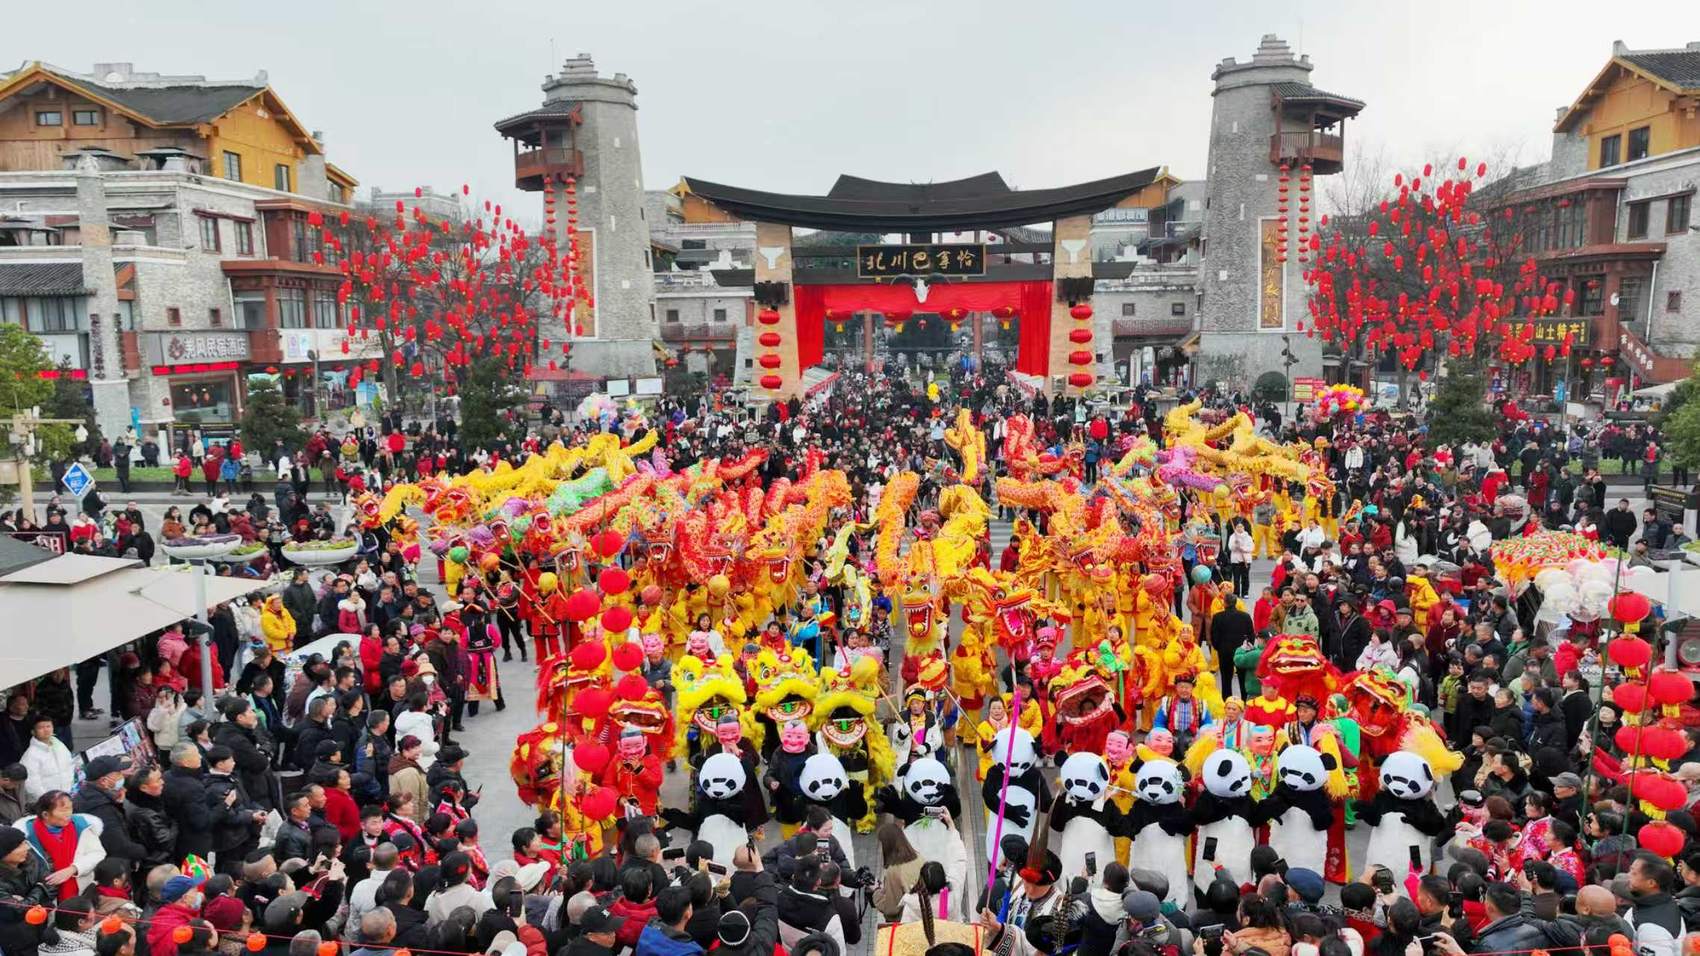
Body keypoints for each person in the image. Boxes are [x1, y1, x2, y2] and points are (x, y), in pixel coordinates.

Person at [19, 715, 75, 802]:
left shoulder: (59, 745)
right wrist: (49, 802)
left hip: (66, 798)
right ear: (33, 732)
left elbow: (70, 765)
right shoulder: (30, 755)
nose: (46, 730)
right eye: (41, 728)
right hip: (47, 803)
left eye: (48, 726)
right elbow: (31, 785)